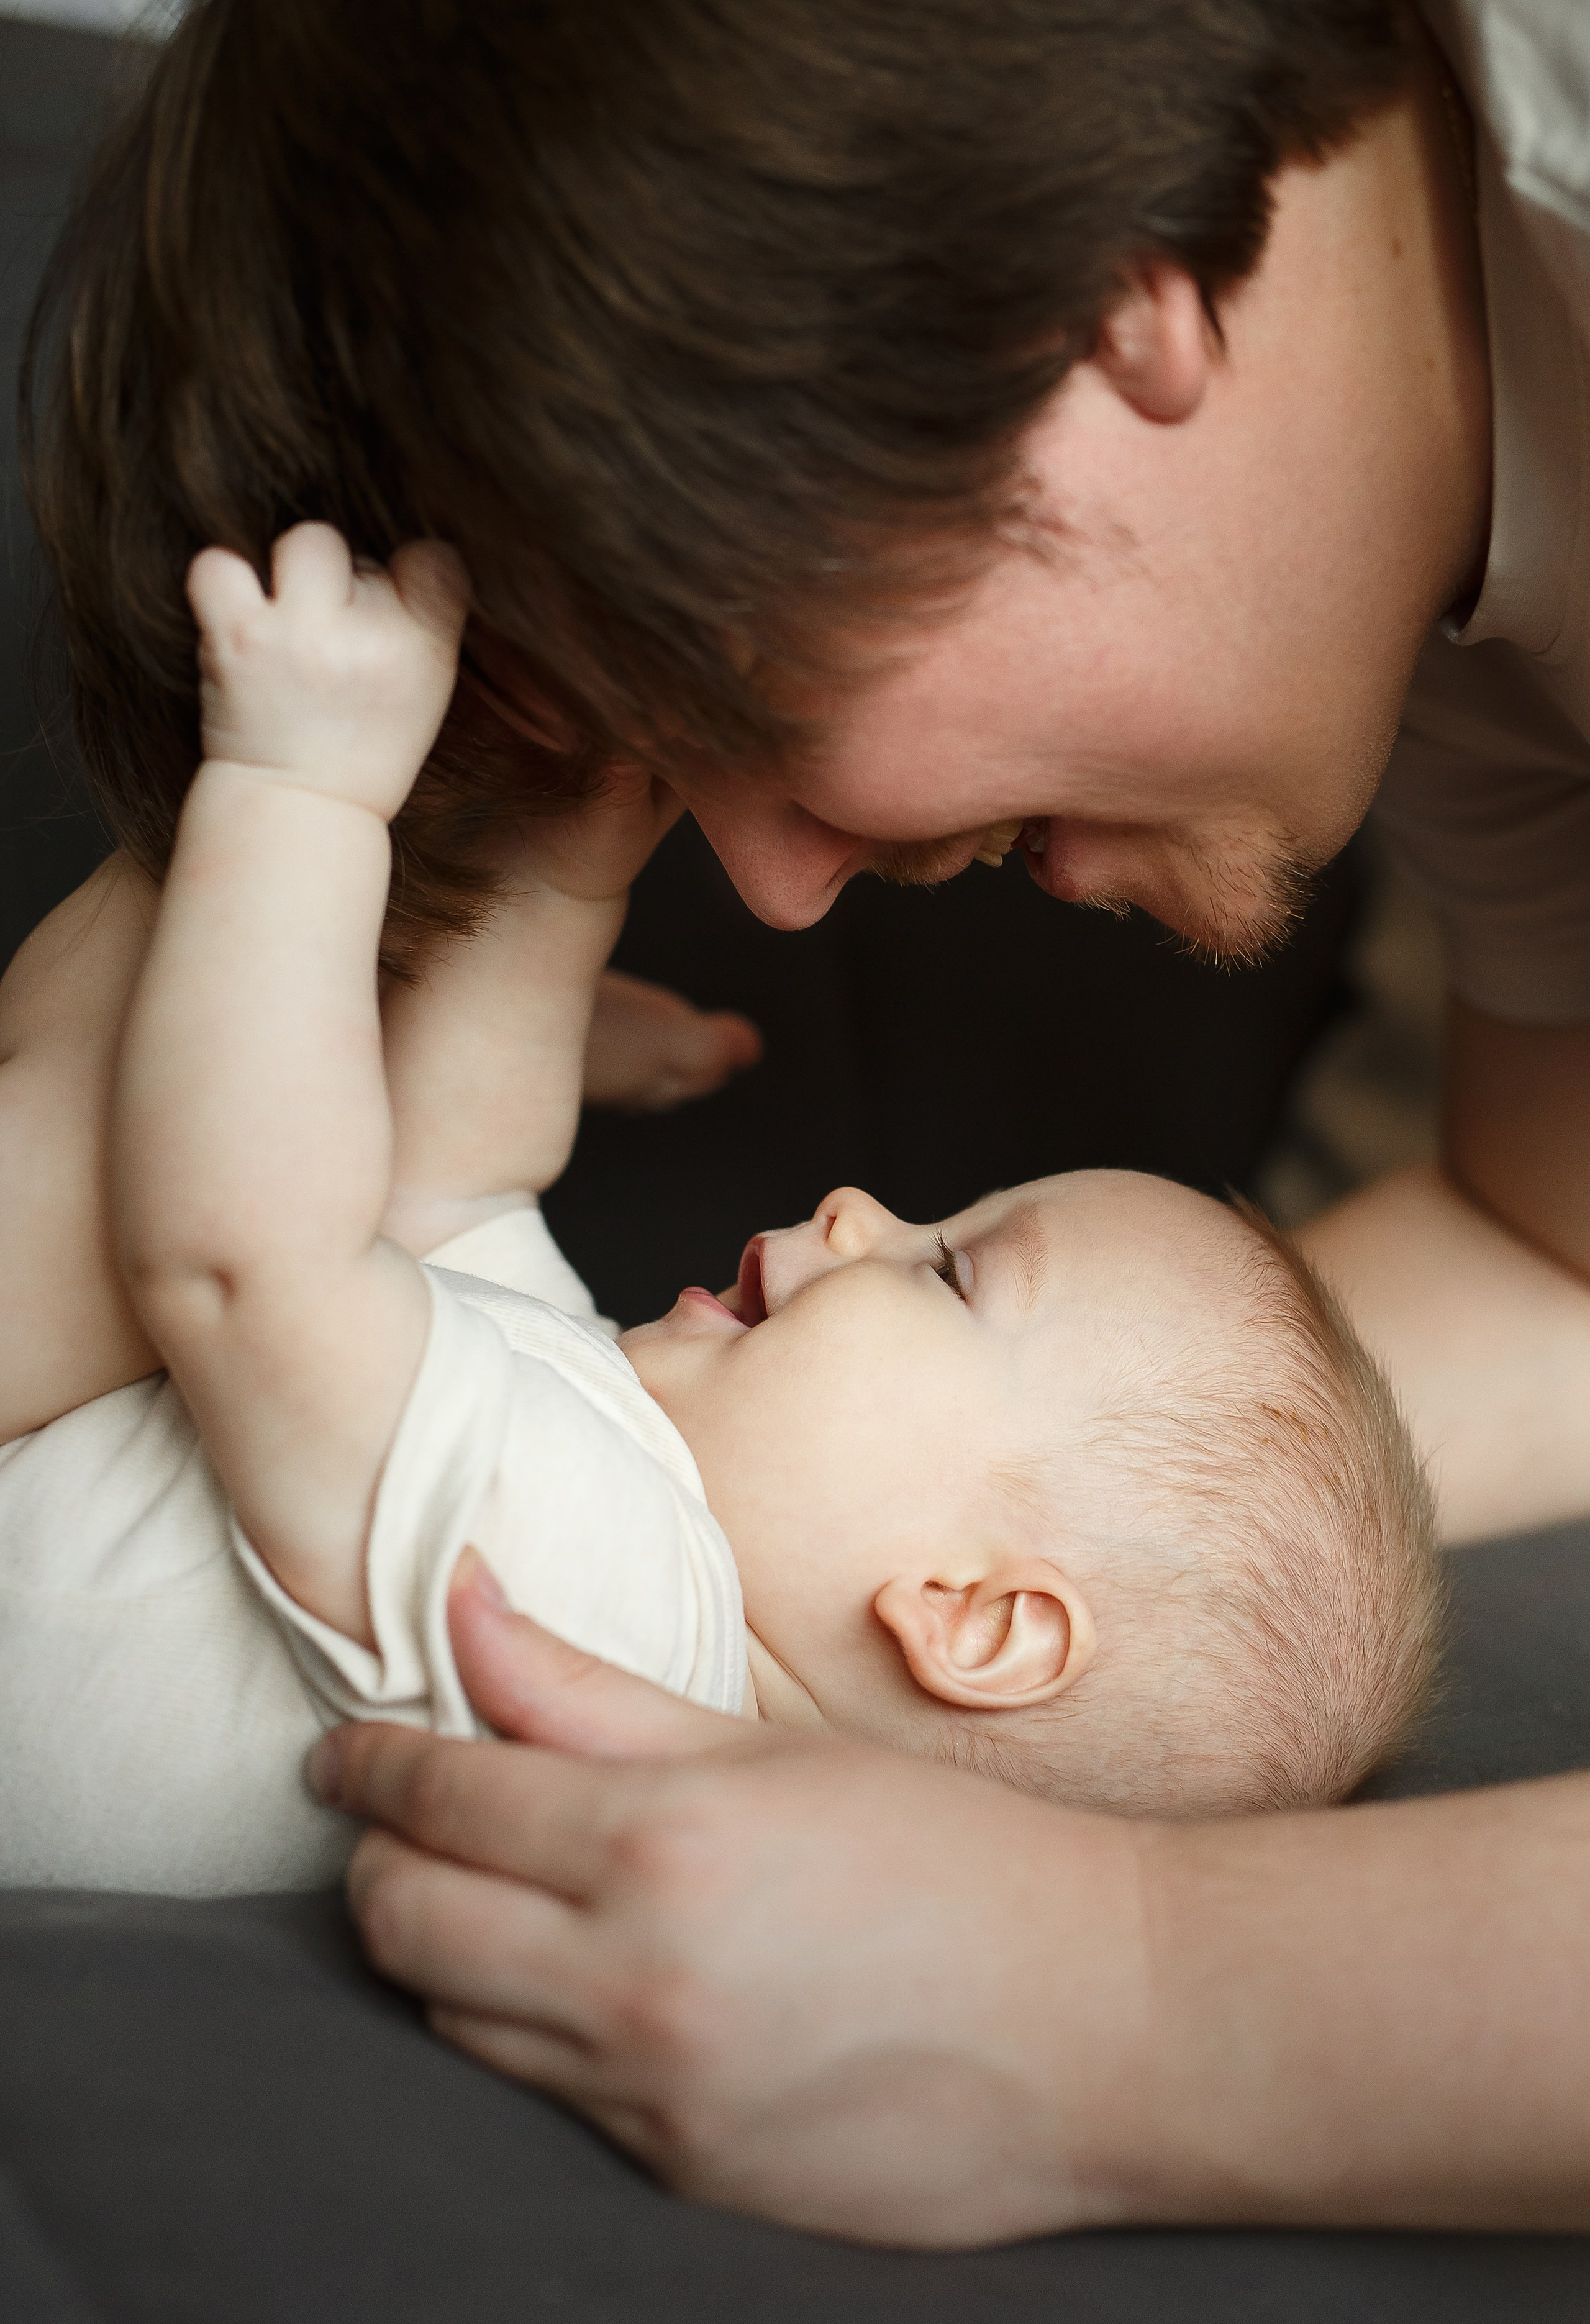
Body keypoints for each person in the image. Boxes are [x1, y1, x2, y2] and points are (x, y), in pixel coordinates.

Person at [19, 0, 1590, 2247]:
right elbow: (1558, 1257)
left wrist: (1129, 1984)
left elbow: (259, 1256)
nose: (759, 879)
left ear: (1108, 305)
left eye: (741, 685)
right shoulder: (1423, 558)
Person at [0, 521, 1440, 1892]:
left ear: (971, 1616)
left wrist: (296, 795)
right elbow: (454, 1184)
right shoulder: (633, 1528)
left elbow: (250, 1259)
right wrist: (568, 889)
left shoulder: (598, 1614)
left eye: (946, 1271)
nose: (860, 1205)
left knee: (122, 1055)